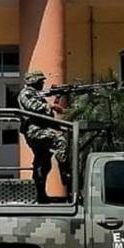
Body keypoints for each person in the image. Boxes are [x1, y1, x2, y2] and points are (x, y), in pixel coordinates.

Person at [16, 71, 72, 201]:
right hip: (35, 131)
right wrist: (51, 105)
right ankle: (65, 172)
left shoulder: (35, 94)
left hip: (41, 129)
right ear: (33, 81)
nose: (43, 83)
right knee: (59, 140)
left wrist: (57, 98)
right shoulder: (26, 93)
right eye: (40, 81)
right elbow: (34, 107)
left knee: (44, 162)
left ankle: (41, 195)